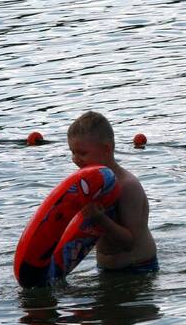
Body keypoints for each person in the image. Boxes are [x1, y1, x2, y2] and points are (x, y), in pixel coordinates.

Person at [67, 111, 158, 273]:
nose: (76, 159)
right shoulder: (89, 188)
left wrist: (100, 219)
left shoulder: (127, 186)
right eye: (73, 152)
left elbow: (130, 242)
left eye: (82, 153)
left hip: (138, 269)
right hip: (104, 269)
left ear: (107, 149)